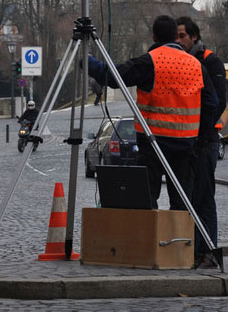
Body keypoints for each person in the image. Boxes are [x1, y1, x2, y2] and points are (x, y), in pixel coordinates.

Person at [88, 15, 218, 211]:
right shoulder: (195, 65)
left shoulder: (150, 62)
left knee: (147, 202)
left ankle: (149, 239)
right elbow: (211, 103)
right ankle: (179, 240)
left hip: (153, 144)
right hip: (185, 145)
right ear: (175, 36)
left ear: (154, 37)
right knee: (182, 205)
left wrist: (89, 63)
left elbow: (114, 76)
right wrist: (199, 138)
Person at [176, 16, 226, 268]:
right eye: (176, 36)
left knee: (204, 198)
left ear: (194, 37)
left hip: (204, 141)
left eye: (182, 36)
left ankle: (207, 252)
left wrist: (198, 132)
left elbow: (218, 103)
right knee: (190, 198)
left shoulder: (210, 61)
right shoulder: (182, 62)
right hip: (187, 141)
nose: (178, 40)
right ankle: (193, 250)